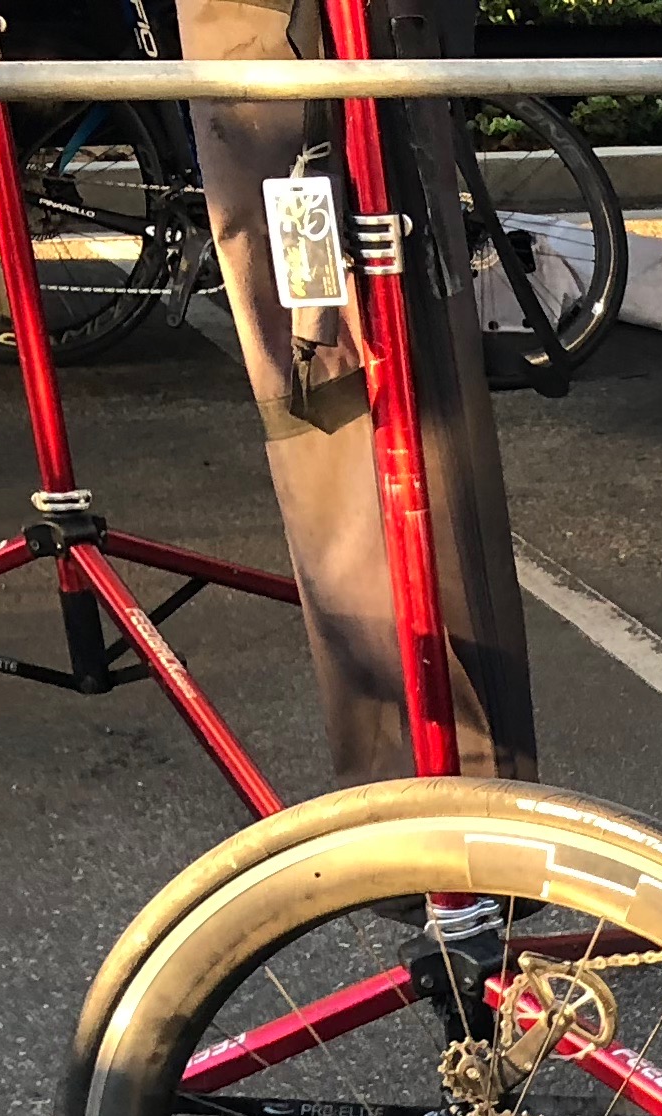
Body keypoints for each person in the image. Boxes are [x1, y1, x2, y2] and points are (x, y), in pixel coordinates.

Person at [176, 0, 536, 782]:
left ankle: (453, 781)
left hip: (345, 60)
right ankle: (423, 783)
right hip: (284, 71)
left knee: (392, 423)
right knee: (327, 410)